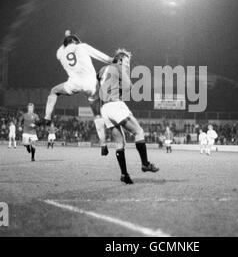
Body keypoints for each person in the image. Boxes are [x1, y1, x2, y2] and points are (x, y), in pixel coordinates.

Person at [44, 30, 113, 154]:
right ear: (75, 41)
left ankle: (47, 116)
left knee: (54, 91)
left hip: (73, 84)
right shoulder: (82, 46)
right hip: (90, 84)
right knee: (97, 113)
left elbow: (64, 46)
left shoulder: (60, 53)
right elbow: (105, 58)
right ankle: (103, 143)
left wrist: (66, 37)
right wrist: (114, 60)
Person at [98, 49, 159, 184]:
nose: (127, 65)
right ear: (120, 61)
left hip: (104, 108)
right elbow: (129, 86)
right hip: (115, 105)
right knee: (139, 132)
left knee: (120, 143)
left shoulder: (102, 70)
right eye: (127, 62)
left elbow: (99, 82)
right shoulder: (119, 67)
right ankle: (145, 164)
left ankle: (124, 175)